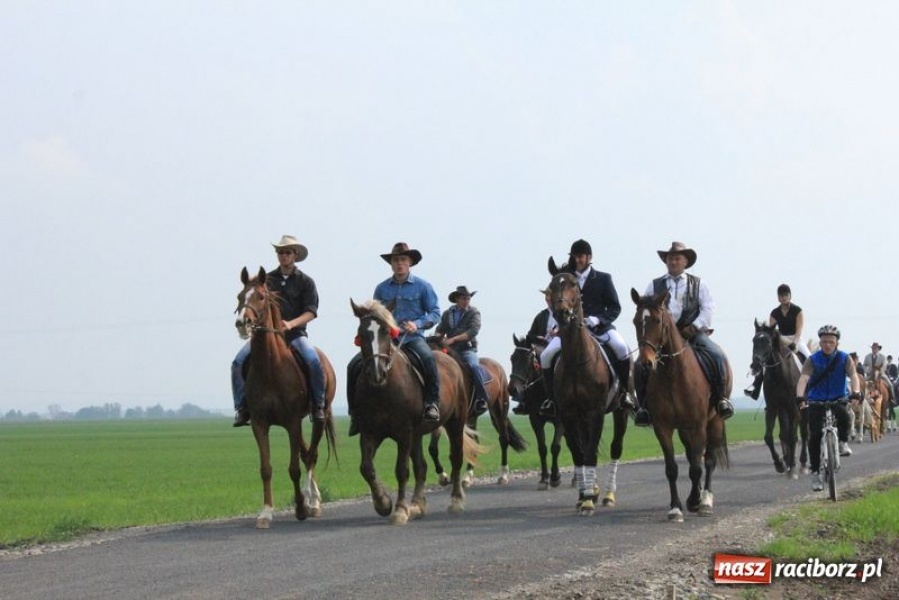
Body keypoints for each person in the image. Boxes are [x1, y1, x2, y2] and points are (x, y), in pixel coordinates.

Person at [634, 241, 734, 427]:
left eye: (677, 258)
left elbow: (708, 309)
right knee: (639, 366)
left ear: (685, 261)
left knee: (717, 355)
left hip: (692, 333)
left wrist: (694, 326)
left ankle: (721, 399)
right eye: (670, 259)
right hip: (663, 338)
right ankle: (643, 407)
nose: (673, 262)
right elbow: (645, 309)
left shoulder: (699, 284)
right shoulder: (654, 285)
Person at [346, 242, 441, 436]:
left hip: (412, 338)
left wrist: (418, 323)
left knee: (429, 359)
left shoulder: (423, 286)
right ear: (391, 264)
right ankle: (355, 414)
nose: (399, 263)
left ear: (410, 262)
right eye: (396, 260)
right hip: (386, 340)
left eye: (403, 260)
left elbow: (435, 312)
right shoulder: (381, 289)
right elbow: (374, 314)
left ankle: (432, 403)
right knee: (353, 365)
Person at [231, 235, 327, 426]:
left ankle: (318, 405)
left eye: (287, 252)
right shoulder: (267, 280)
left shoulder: (306, 282)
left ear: (295, 255)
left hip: (295, 335)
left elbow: (311, 312)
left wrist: (291, 324)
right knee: (237, 363)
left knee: (313, 361)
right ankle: (242, 408)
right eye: (280, 252)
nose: (283, 256)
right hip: (265, 336)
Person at [538, 239, 633, 417]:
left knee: (621, 348)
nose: (578, 260)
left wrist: (598, 319)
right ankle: (551, 400)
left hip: (600, 328)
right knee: (546, 355)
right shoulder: (566, 279)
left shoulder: (604, 278)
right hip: (571, 331)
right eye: (575, 256)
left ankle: (625, 393)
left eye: (581, 256)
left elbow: (615, 307)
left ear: (589, 257)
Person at [796, 324, 860, 492]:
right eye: (824, 341)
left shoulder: (844, 358)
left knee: (844, 416)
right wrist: (800, 396)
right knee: (815, 436)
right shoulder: (812, 359)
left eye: (831, 341)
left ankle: (843, 442)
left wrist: (856, 392)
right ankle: (816, 472)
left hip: (838, 397)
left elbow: (853, 376)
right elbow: (803, 379)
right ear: (820, 342)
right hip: (816, 400)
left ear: (837, 343)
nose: (827, 345)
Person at [744, 283, 811, 400]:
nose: (783, 297)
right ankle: (756, 387)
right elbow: (771, 330)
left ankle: (813, 386)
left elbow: (799, 330)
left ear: (790, 296)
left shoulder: (797, 311)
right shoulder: (774, 313)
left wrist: (794, 343)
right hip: (781, 339)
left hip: (796, 339)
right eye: (781, 295)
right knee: (767, 360)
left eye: (785, 295)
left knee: (809, 358)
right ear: (778, 297)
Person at [435, 286, 489, 415]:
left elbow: (472, 331)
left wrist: (453, 339)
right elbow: (440, 329)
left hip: (466, 349)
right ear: (457, 299)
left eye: (468, 298)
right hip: (449, 350)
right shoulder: (448, 313)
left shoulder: (474, 312)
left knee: (474, 367)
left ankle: (482, 398)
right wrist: (436, 338)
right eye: (464, 298)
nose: (467, 301)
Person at [512, 287, 558, 415]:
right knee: (525, 362)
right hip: (541, 348)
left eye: (550, 296)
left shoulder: (563, 313)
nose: (548, 299)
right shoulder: (541, 316)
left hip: (560, 346)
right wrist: (538, 337)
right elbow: (530, 335)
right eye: (546, 296)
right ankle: (523, 400)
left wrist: (557, 333)